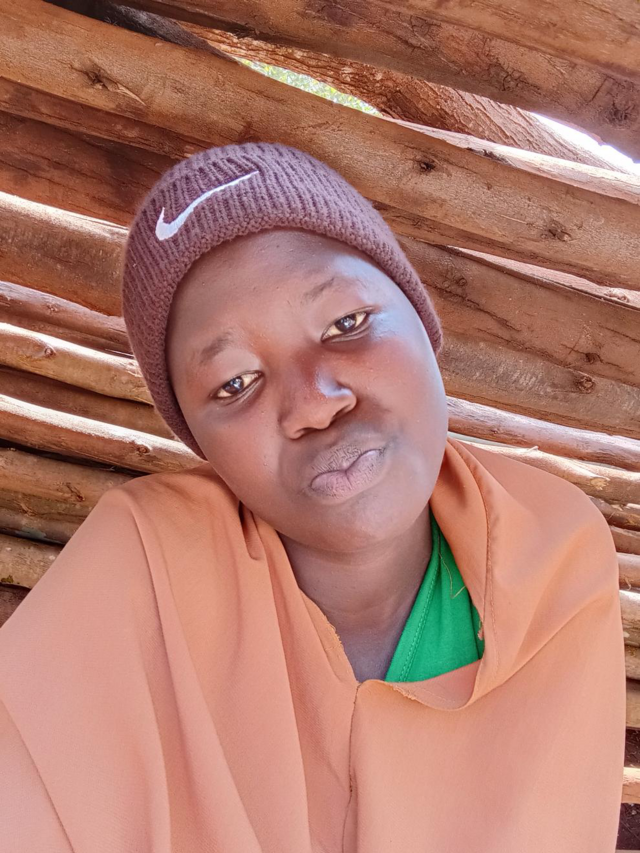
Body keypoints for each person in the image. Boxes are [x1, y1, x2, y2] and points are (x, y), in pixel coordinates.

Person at [0, 141, 626, 851]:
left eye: (345, 324)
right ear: (203, 446)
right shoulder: (140, 572)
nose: (313, 404)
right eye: (235, 383)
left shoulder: (552, 553)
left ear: (422, 319)